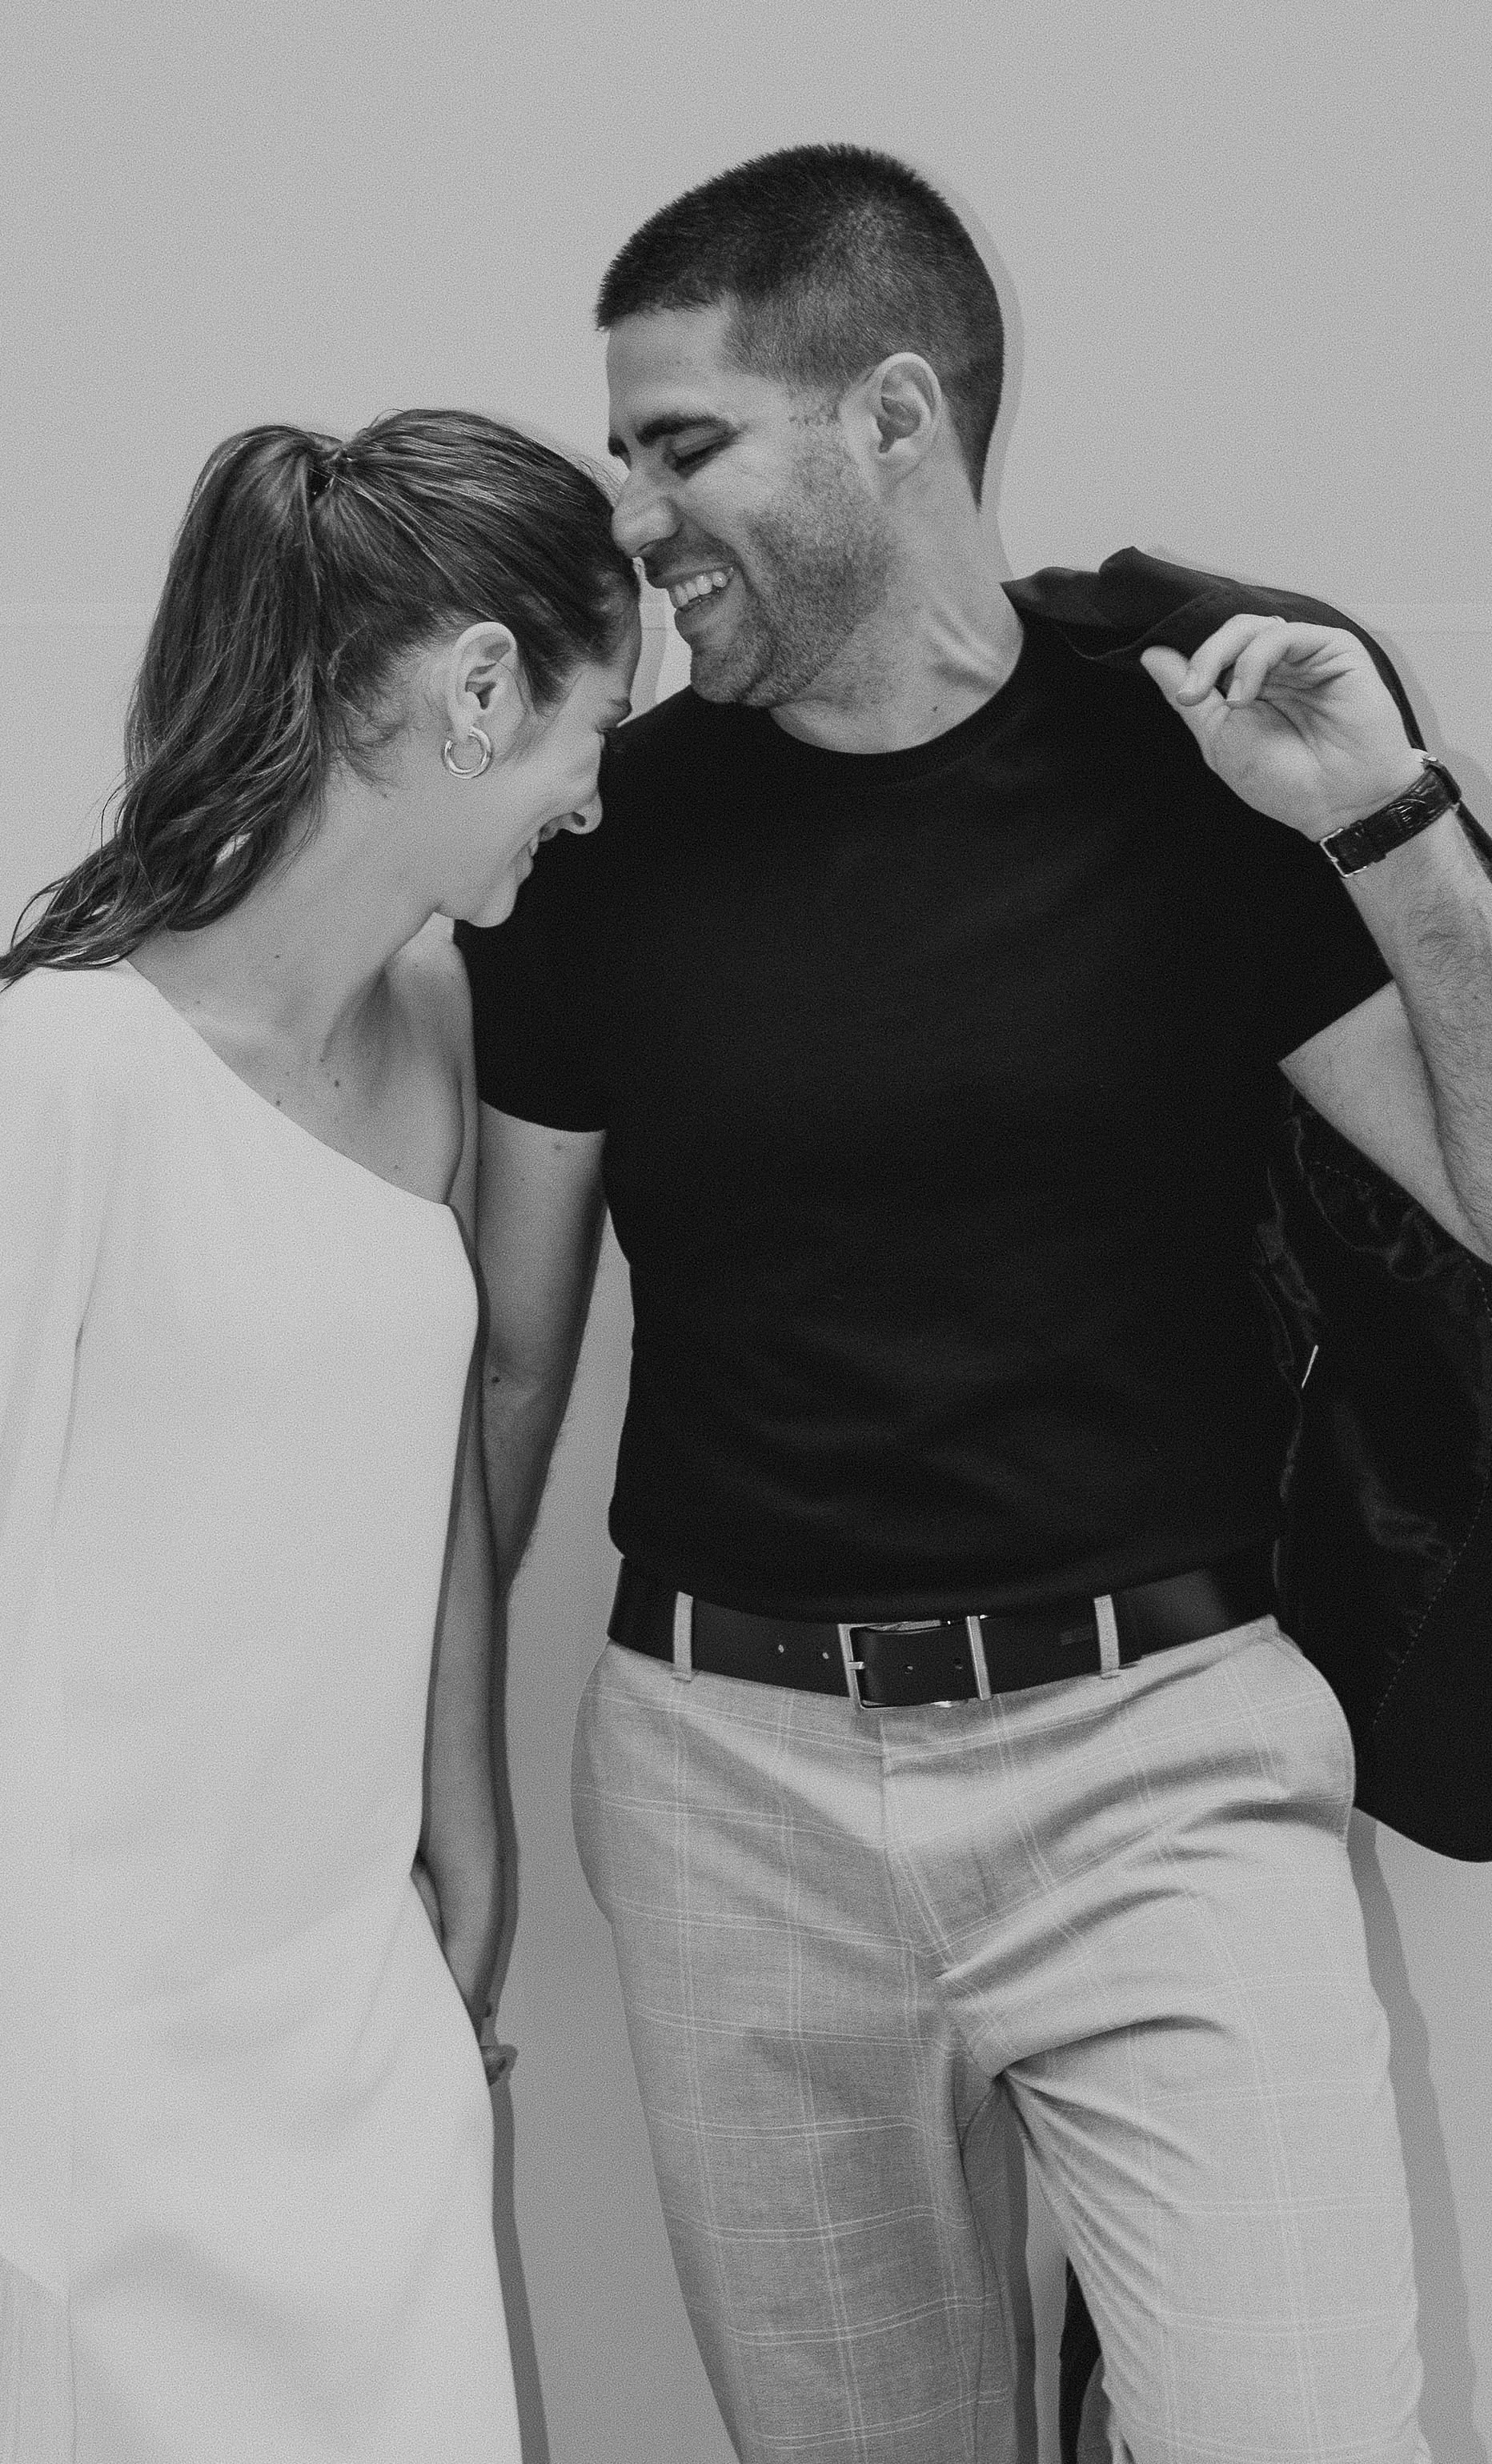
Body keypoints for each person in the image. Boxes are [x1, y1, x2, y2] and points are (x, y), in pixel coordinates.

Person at [457, 145, 1492, 2464]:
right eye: (622, 448)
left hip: (1167, 1762)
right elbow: (504, 1364)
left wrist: (1391, 820)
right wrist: (446, 1800)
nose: (630, 514)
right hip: (733, 1787)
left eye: (684, 441)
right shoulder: (600, 844)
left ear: (895, 418)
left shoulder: (1190, 766)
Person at [0, 409, 639, 2460]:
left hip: (342, 2001)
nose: (589, 799)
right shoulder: (73, 1069)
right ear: (482, 690)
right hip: (75, 2041)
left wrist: (463, 1824)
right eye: (587, 733)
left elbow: (434, 1441)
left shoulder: (443, 1025)